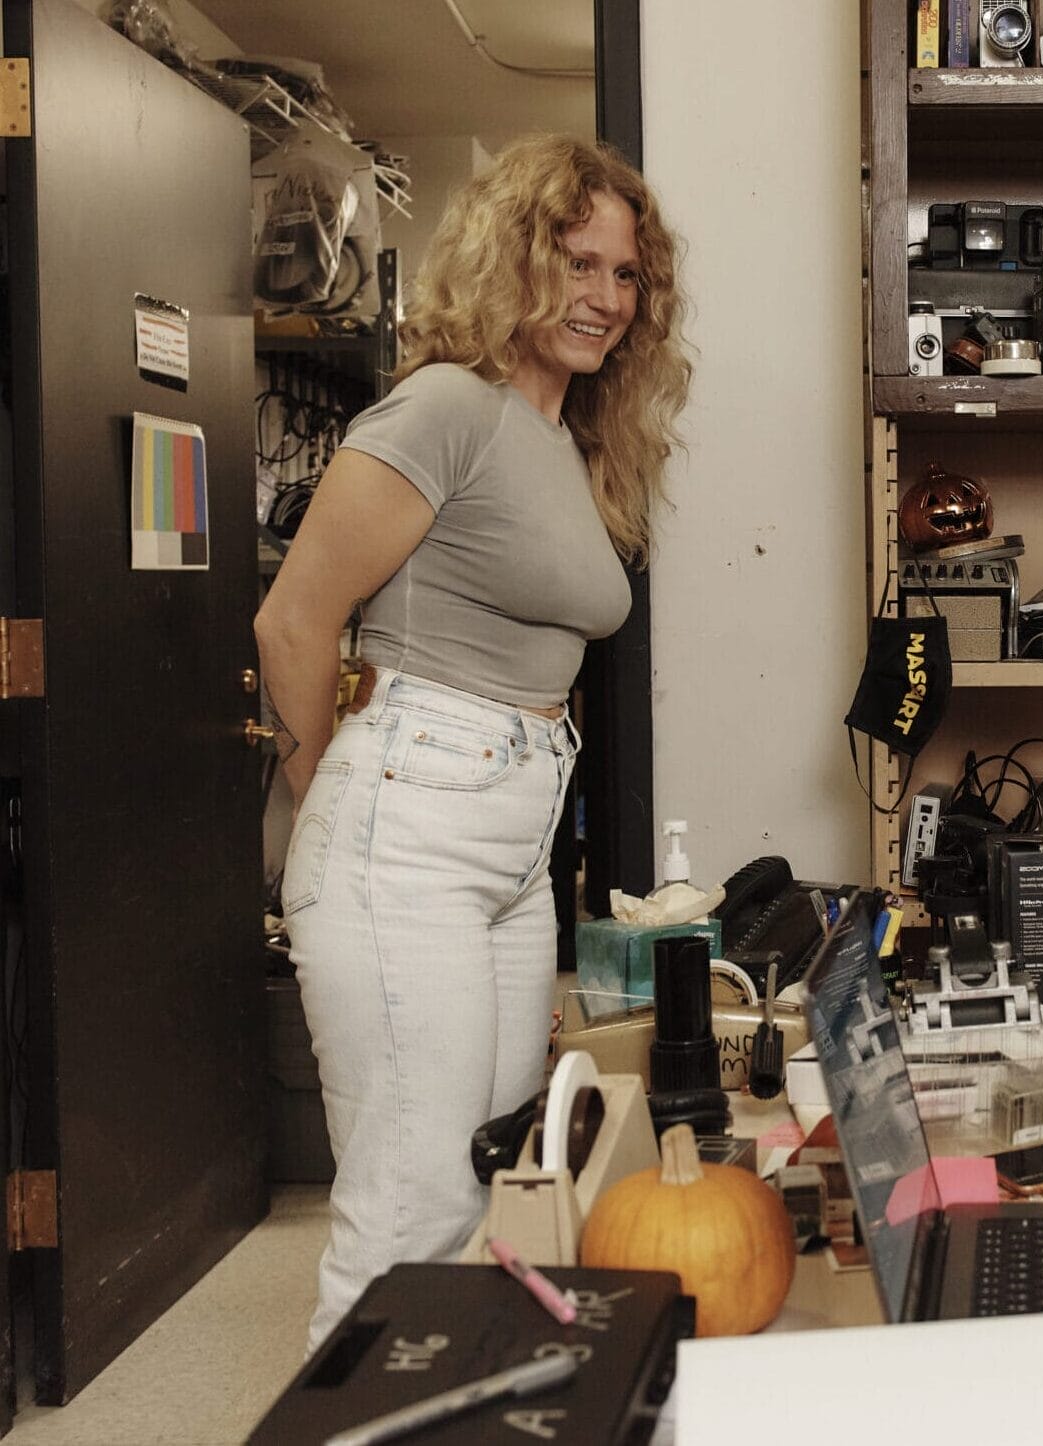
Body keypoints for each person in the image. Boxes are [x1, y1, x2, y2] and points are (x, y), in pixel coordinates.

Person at [254, 135, 691, 1349]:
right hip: (408, 823)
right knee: (408, 1202)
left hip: (510, 846)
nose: (604, 298)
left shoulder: (570, 442)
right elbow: (293, 617)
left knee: (500, 1186)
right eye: (576, 262)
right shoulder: (447, 405)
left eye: (625, 274)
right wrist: (330, 789)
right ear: (512, 258)